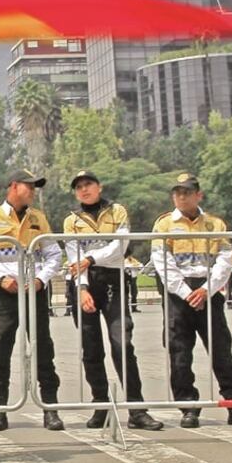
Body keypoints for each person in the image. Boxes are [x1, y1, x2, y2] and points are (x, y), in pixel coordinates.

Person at [152, 173, 232, 428]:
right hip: (179, 294)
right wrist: (185, 291)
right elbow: (162, 262)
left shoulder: (215, 224)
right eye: (177, 192)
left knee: (221, 351)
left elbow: (225, 261)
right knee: (180, 354)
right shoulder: (164, 225)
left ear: (198, 195)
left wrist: (205, 290)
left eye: (187, 192)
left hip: (207, 291)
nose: (181, 196)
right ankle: (188, 407)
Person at [62, 171, 162, 431]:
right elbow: (75, 258)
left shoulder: (117, 212)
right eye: (79, 187)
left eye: (89, 185)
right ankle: (101, 405)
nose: (84, 190)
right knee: (91, 348)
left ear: (99, 187)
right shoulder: (71, 220)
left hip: (112, 281)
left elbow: (120, 246)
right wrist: (81, 289)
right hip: (85, 282)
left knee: (122, 343)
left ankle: (137, 410)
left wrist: (92, 258)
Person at [0, 169, 64, 432]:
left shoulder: (38, 218)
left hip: (35, 292)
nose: (32, 191)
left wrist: (41, 279)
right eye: (28, 186)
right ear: (12, 186)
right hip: (5, 294)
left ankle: (50, 410)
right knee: (1, 349)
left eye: (35, 187)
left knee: (44, 348)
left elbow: (54, 254)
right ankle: (0, 411)